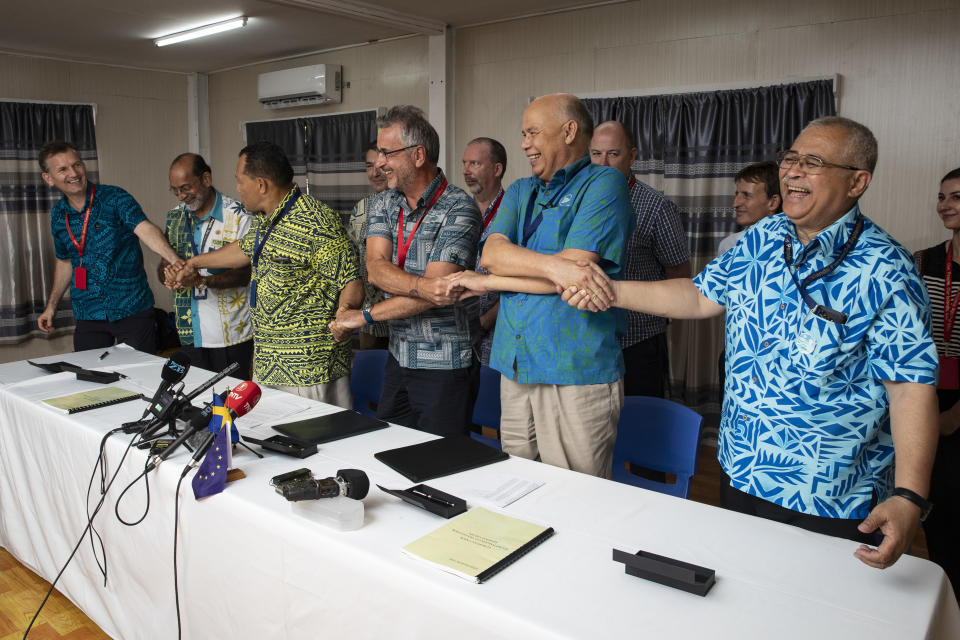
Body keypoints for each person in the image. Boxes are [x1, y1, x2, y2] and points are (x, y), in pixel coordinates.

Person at [561, 116, 939, 569]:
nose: (794, 171)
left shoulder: (888, 270)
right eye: (791, 159)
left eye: (813, 163)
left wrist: (910, 495)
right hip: (742, 467)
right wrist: (609, 291)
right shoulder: (761, 238)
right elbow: (699, 295)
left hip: (831, 495)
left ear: (858, 182)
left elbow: (910, 388)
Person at [446, 94, 633, 478]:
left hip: (574, 368)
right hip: (517, 364)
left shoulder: (604, 184)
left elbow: (578, 274)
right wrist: (553, 267)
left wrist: (491, 284)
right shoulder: (519, 191)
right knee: (518, 486)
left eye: (533, 132)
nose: (524, 143)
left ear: (568, 131)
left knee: (577, 495)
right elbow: (493, 254)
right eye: (523, 133)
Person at [173, 142, 361, 407]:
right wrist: (194, 262)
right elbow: (242, 249)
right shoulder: (265, 219)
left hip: (309, 369)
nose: (237, 189)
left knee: (318, 444)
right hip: (269, 364)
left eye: (240, 181)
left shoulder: (316, 221)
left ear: (261, 184)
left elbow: (350, 279)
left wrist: (345, 313)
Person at [333, 106, 482, 437]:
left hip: (445, 364)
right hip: (399, 358)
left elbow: (435, 297)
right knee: (392, 454)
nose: (380, 163)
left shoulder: (459, 208)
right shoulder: (385, 203)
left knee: (441, 466)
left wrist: (366, 316)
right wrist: (424, 286)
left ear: (418, 155)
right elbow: (376, 270)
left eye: (387, 153)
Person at [37, 141, 183, 353]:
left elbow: (145, 229)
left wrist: (174, 259)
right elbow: (65, 260)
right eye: (63, 169)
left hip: (131, 307)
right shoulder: (58, 215)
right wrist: (51, 307)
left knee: (141, 377)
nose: (74, 173)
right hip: (88, 311)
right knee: (91, 377)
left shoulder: (114, 198)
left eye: (77, 165)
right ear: (48, 178)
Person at [590, 121, 689, 397]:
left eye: (613, 154)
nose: (603, 163)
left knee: (641, 426)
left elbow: (680, 275)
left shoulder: (657, 208)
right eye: (596, 154)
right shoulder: (579, 204)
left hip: (639, 342)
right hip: (590, 341)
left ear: (632, 156)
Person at [158, 153, 253, 375]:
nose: (181, 196)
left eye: (186, 188)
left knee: (229, 403)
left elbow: (246, 274)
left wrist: (200, 280)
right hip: (189, 332)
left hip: (229, 335)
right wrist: (169, 274)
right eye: (175, 190)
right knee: (195, 403)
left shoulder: (239, 215)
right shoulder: (175, 217)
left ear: (206, 180)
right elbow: (162, 264)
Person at [913, 167, 960, 597]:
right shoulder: (923, 261)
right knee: (935, 503)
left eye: (957, 197)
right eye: (942, 196)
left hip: (958, 404)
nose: (945, 205)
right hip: (927, 391)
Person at [462, 137, 507, 366]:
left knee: (492, 401)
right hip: (459, 337)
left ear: (497, 169)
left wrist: (486, 321)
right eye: (464, 163)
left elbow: (526, 284)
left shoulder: (516, 213)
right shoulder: (457, 211)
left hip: (499, 337)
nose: (466, 171)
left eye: (475, 164)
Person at [345, 140, 390, 350]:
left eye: (380, 166)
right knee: (371, 377)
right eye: (369, 166)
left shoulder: (408, 206)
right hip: (370, 321)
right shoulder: (360, 209)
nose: (375, 173)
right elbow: (352, 259)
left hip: (405, 321)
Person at [718, 161, 782, 255]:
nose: (735, 204)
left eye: (746, 195)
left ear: (773, 202)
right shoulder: (729, 246)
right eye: (737, 195)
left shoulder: (797, 245)